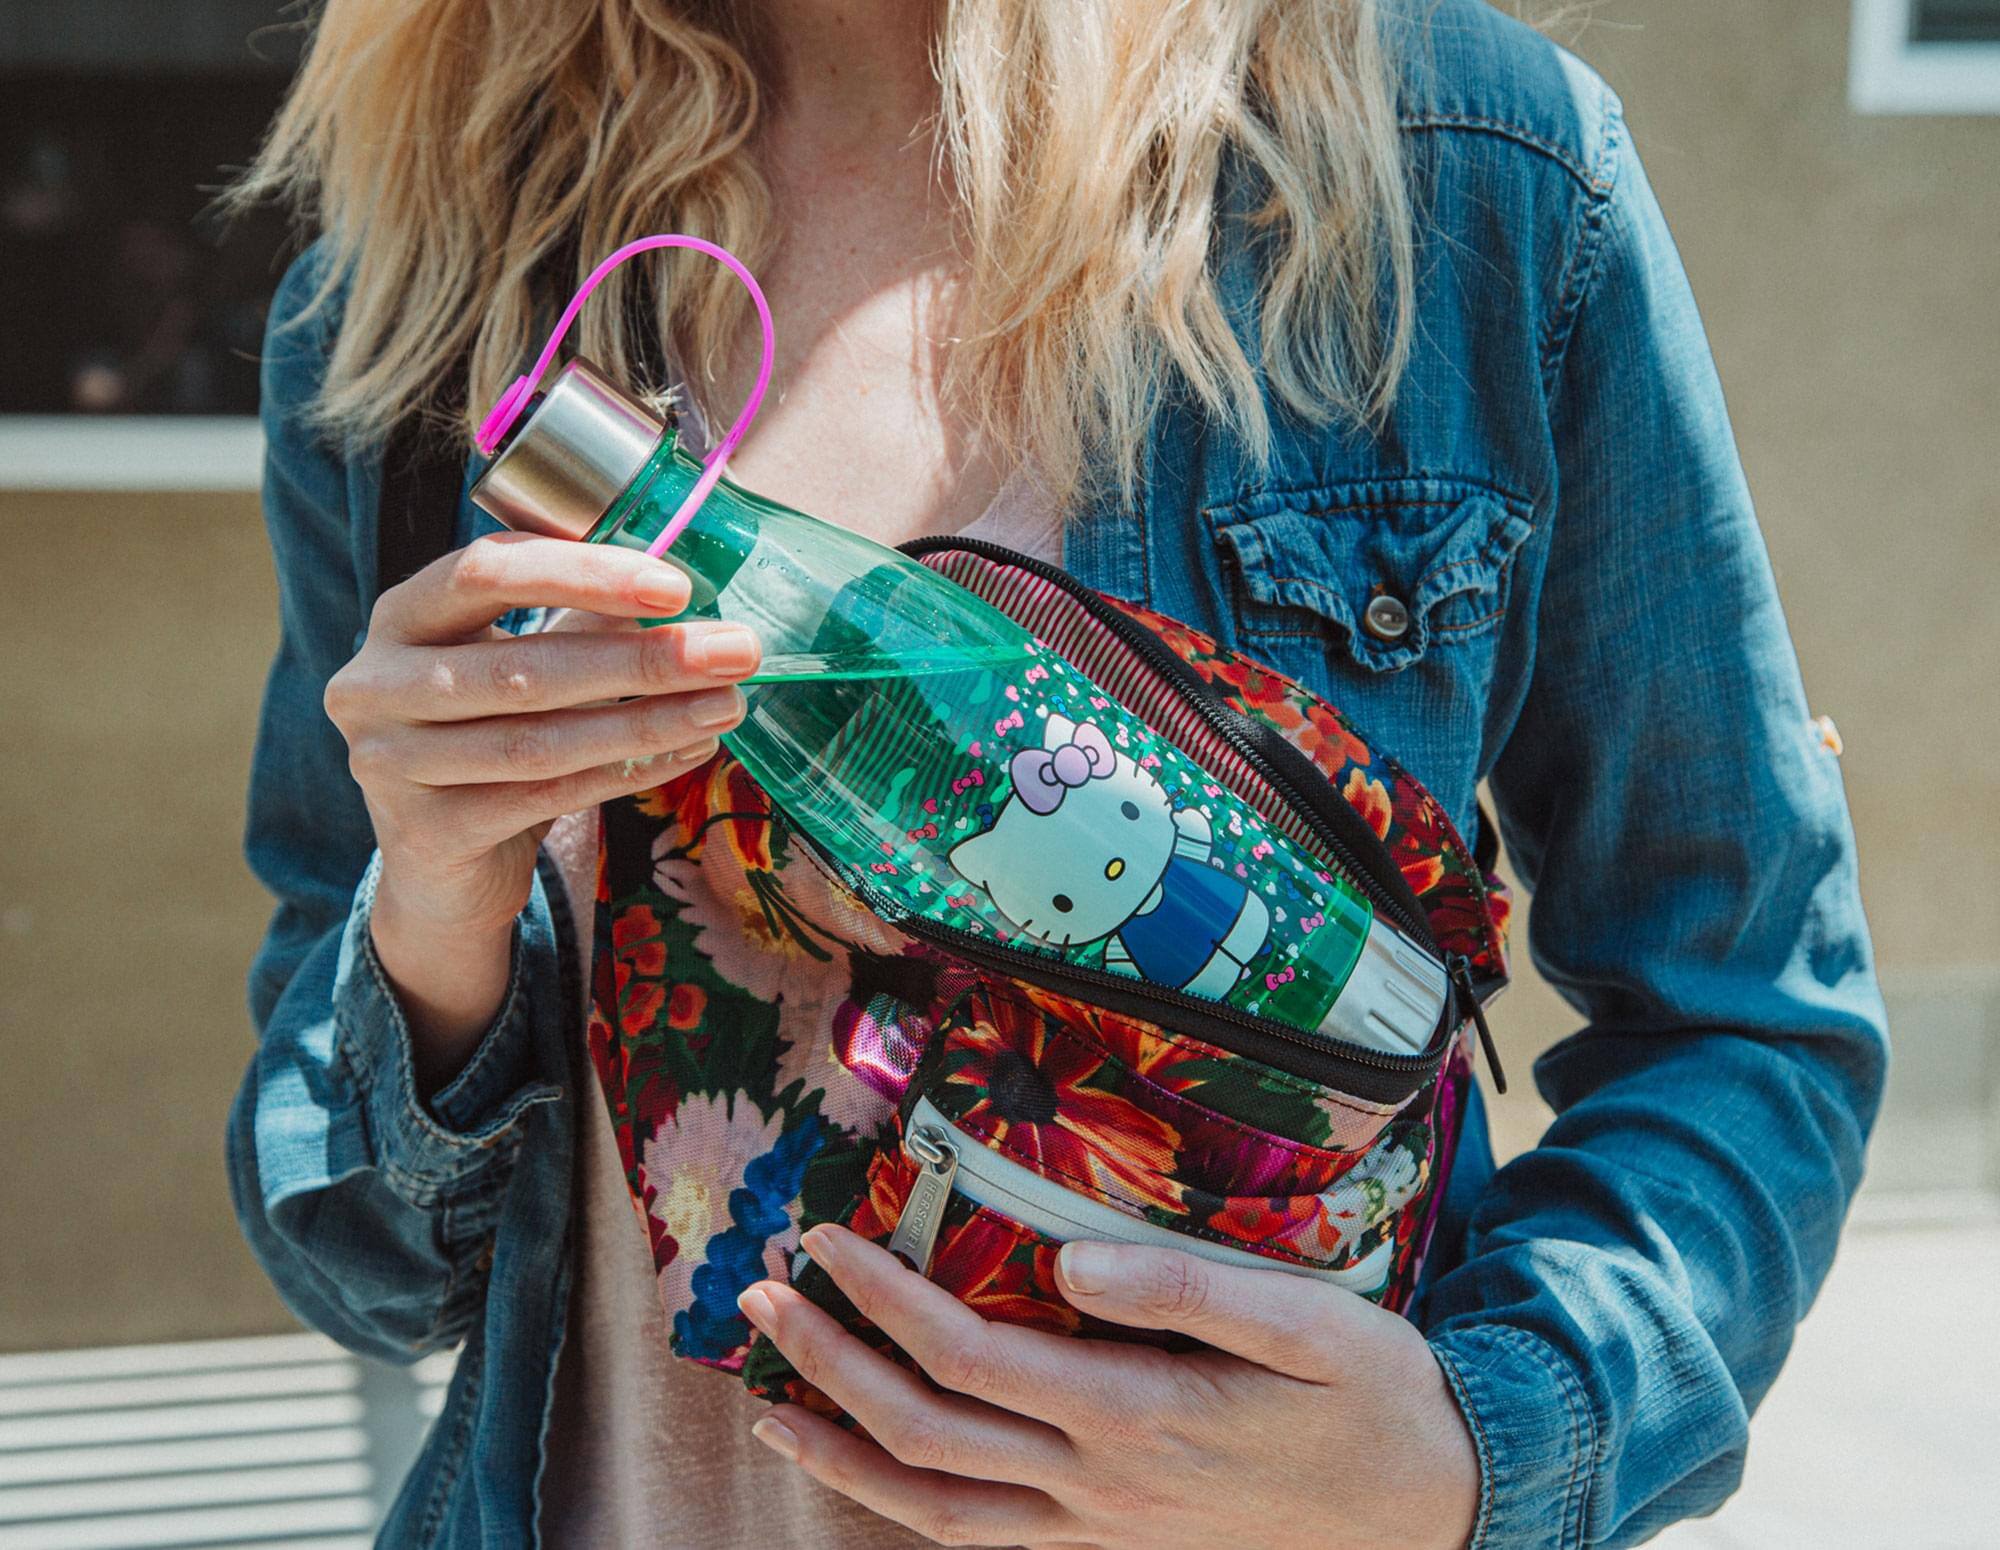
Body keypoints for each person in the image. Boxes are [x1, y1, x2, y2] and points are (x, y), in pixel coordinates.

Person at [226, 1, 1888, 1545]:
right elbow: (367, 1263)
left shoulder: (1465, 175)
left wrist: (1470, 1449)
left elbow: (1745, 1011)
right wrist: (435, 909)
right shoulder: (429, 290)